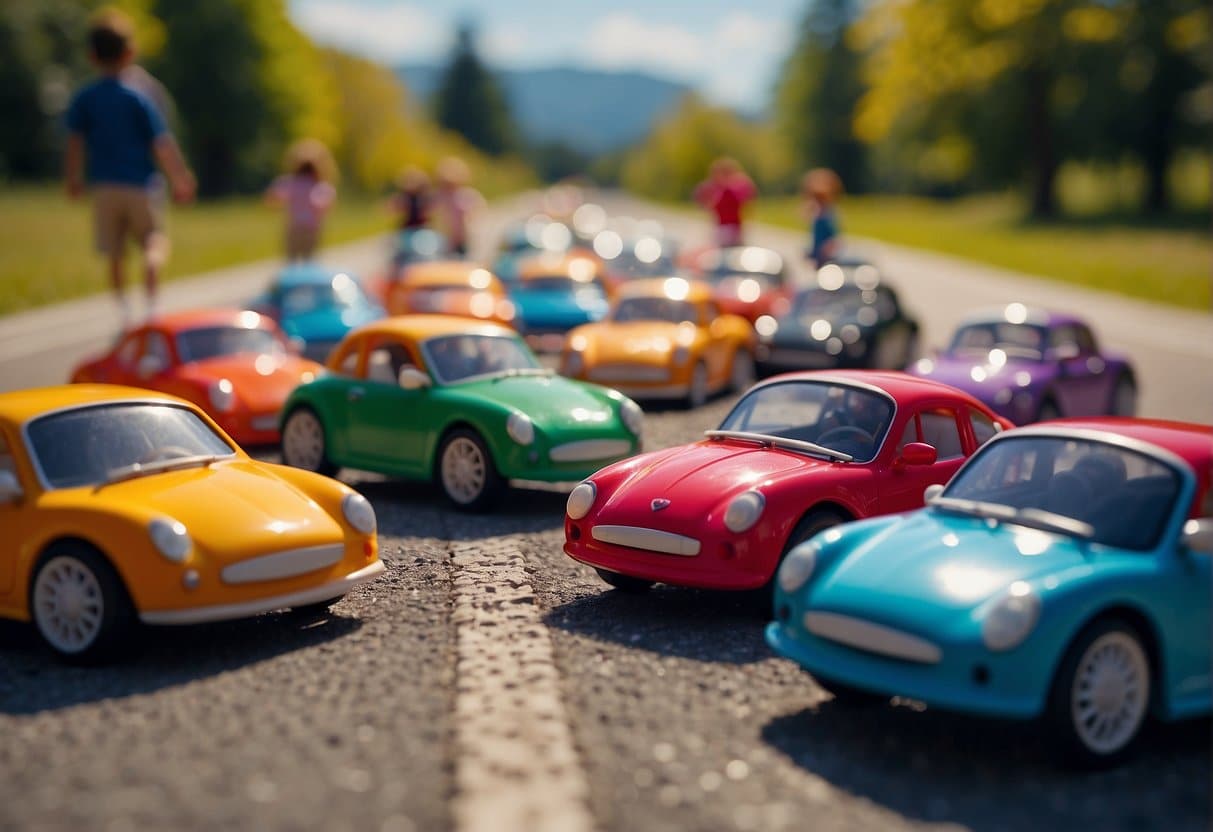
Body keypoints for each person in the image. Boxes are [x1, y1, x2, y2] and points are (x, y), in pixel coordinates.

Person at [64, 9, 196, 328]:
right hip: (140, 184)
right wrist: (180, 177)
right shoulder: (138, 97)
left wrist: (73, 178)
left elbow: (75, 142)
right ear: (130, 54)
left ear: (91, 56)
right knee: (154, 239)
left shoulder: (85, 98)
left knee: (115, 252)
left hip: (105, 186)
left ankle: (124, 310)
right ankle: (150, 298)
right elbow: (161, 142)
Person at [265, 138, 337, 262]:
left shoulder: (290, 183)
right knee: (309, 262)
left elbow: (272, 198)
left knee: (291, 261)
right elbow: (325, 205)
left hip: (293, 228)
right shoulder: (320, 186)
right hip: (311, 229)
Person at [693, 157, 757, 247]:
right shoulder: (720, 189)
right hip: (723, 227)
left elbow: (748, 196)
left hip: (730, 228)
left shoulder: (731, 189)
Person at [432, 156, 485, 257]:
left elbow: (478, 209)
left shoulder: (465, 195)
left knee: (462, 258)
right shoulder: (440, 195)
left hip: (463, 237)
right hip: (446, 239)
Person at [803, 167, 843, 268]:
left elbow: (833, 236)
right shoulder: (819, 212)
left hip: (826, 254)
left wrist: (827, 249)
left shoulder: (828, 214)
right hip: (819, 253)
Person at [391, 166, 431, 230]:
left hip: (423, 227)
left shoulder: (424, 197)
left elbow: (429, 213)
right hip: (408, 227)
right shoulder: (404, 197)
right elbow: (394, 210)